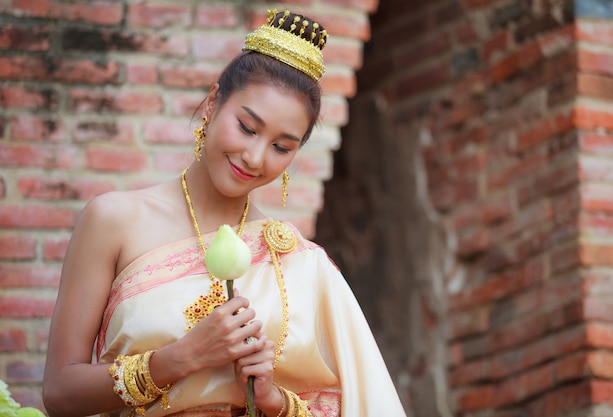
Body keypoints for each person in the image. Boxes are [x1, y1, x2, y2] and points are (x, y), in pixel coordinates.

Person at [42, 9, 406, 417]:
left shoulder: (302, 263)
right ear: (214, 103)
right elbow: (59, 392)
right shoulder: (114, 221)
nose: (254, 157)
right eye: (247, 127)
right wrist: (179, 358)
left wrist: (272, 399)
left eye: (281, 147)